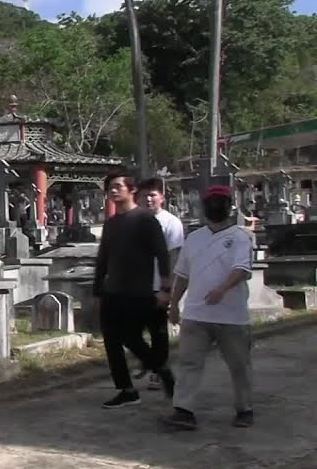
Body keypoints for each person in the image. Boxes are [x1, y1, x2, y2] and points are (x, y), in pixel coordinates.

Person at [166, 185, 255, 430]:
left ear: (229, 206)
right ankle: (183, 410)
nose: (216, 206)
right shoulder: (194, 239)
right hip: (196, 313)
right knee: (189, 363)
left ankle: (244, 408)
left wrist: (222, 289)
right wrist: (174, 305)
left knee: (239, 364)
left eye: (221, 201)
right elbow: (182, 275)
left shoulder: (240, 237)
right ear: (204, 206)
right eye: (211, 201)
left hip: (231, 316)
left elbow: (241, 270)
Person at [94, 169, 175, 408]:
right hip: (112, 290)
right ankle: (126, 389)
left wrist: (165, 288)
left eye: (119, 186)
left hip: (137, 290)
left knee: (130, 337)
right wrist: (98, 287)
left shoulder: (145, 219)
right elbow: (103, 258)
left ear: (132, 190)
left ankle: (161, 370)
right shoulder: (111, 224)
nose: (114, 190)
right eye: (110, 188)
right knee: (111, 340)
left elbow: (162, 254)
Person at [136, 178, 185, 392]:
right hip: (137, 284)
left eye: (152, 195)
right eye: (144, 195)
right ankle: (148, 361)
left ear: (161, 197)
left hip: (160, 284)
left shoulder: (171, 222)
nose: (148, 199)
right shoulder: (134, 221)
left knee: (158, 331)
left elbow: (174, 255)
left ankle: (159, 369)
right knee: (133, 328)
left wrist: (170, 287)